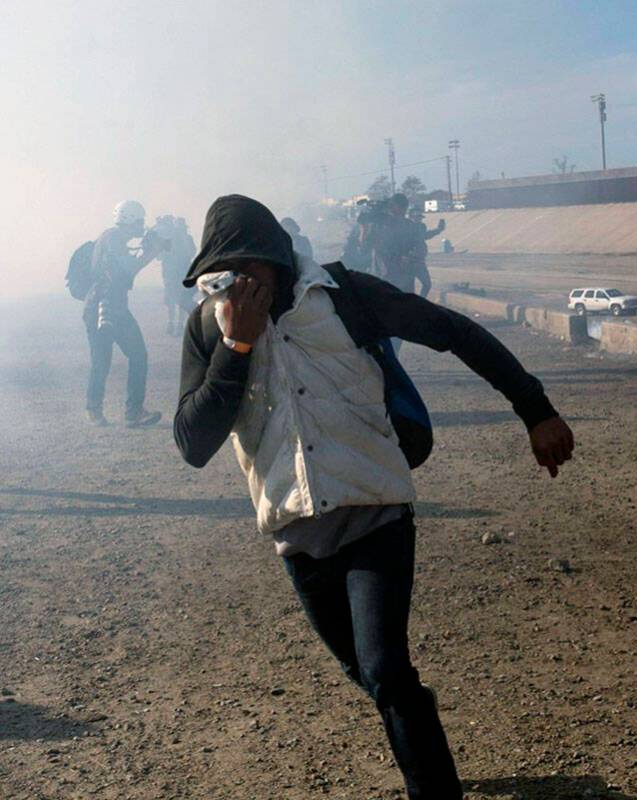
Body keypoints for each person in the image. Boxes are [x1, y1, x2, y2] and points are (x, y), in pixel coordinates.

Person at [173, 194, 574, 800]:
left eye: (250, 267)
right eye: (223, 275)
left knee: (385, 669)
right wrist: (237, 348)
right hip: (297, 531)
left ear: (279, 260)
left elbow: (452, 332)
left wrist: (535, 409)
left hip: (375, 508)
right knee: (368, 673)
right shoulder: (213, 326)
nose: (238, 284)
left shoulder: (342, 295)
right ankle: (416, 717)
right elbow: (192, 442)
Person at [83, 200, 166, 427]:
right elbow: (126, 271)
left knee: (135, 355)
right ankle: (99, 409)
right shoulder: (113, 239)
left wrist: (148, 251)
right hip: (102, 307)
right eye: (140, 222)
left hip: (114, 307)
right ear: (131, 220)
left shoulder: (113, 238)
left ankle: (131, 411)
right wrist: (151, 253)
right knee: (103, 361)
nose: (142, 226)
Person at [159, 216, 199, 336]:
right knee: (172, 298)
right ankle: (172, 323)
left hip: (181, 273)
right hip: (172, 273)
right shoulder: (169, 239)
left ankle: (178, 324)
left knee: (181, 297)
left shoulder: (186, 239)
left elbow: (191, 253)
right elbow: (161, 256)